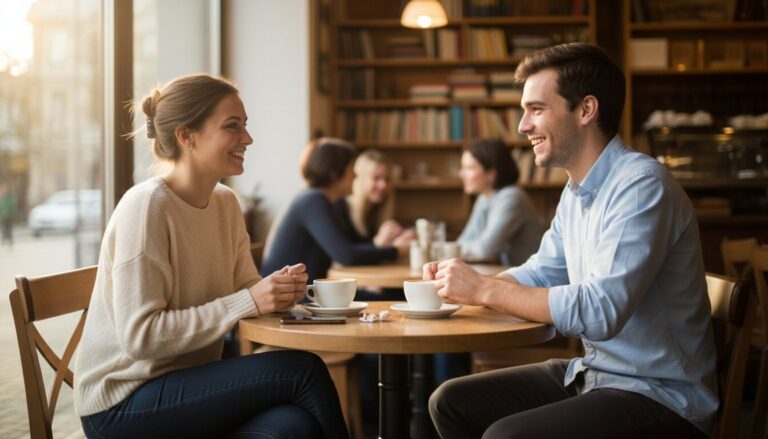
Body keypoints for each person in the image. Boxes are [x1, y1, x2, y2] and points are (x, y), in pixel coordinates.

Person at [426, 43, 716, 438]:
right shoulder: (576, 191)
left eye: (536, 109)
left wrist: (485, 290)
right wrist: (463, 288)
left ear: (585, 110)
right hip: (596, 374)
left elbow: (601, 310)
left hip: (661, 396)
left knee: (506, 436)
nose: (522, 126)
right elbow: (542, 272)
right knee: (449, 401)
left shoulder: (641, 186)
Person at [74, 74, 349, 439]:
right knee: (303, 371)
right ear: (187, 137)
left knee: (294, 427)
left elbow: (246, 288)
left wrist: (279, 292)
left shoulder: (225, 203)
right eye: (232, 126)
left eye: (245, 125)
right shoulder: (147, 207)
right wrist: (249, 300)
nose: (247, 138)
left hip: (189, 389)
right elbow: (141, 337)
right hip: (121, 406)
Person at [262, 138, 408, 283]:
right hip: (292, 295)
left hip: (307, 291)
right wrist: (397, 250)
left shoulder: (319, 200)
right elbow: (347, 255)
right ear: (334, 174)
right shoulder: (312, 200)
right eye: (352, 170)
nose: (356, 176)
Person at [457, 138, 542, 266]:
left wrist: (457, 247)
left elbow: (486, 249)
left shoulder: (511, 197)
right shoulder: (484, 197)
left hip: (528, 276)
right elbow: (464, 240)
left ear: (491, 174)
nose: (461, 174)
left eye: (469, 168)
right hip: (506, 272)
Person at [334, 149, 414, 248]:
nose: (383, 185)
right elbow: (346, 253)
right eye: (376, 178)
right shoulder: (340, 209)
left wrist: (399, 238)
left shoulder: (377, 210)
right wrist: (377, 243)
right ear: (359, 179)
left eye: (387, 179)